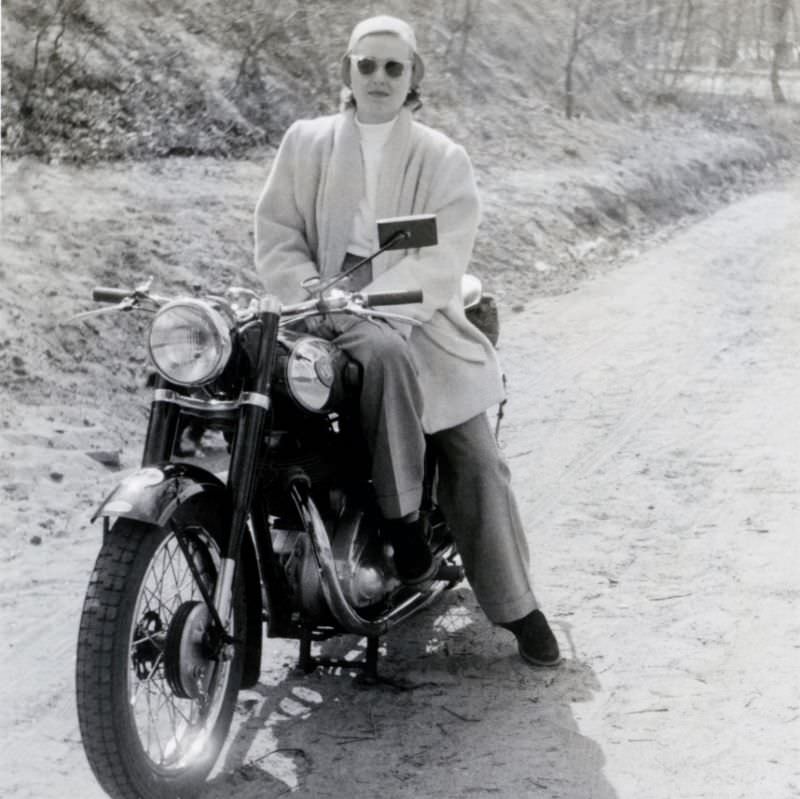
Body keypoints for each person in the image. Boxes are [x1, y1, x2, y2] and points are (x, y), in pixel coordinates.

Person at [254, 15, 560, 667]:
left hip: (414, 324)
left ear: (415, 76)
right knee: (253, 401)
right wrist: (308, 287)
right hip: (314, 314)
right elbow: (277, 231)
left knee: (474, 456)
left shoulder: (441, 159)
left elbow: (441, 261)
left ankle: (515, 604)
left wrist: (377, 303)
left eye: (394, 67)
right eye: (367, 65)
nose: (379, 78)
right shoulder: (304, 144)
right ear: (346, 72)